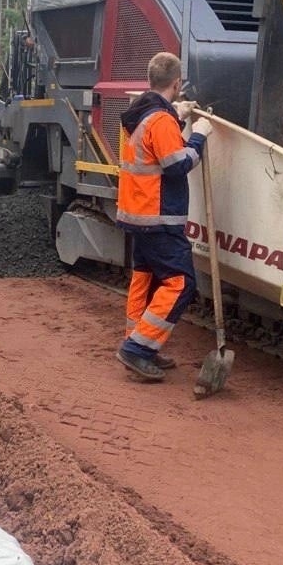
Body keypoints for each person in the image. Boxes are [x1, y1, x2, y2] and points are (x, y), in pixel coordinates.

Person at [115, 51, 213, 382]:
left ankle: (138, 341)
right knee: (181, 282)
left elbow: (156, 148)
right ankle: (138, 350)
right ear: (176, 82)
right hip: (160, 217)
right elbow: (177, 165)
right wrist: (199, 134)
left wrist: (177, 112)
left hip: (138, 215)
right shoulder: (161, 120)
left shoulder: (141, 112)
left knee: (145, 278)